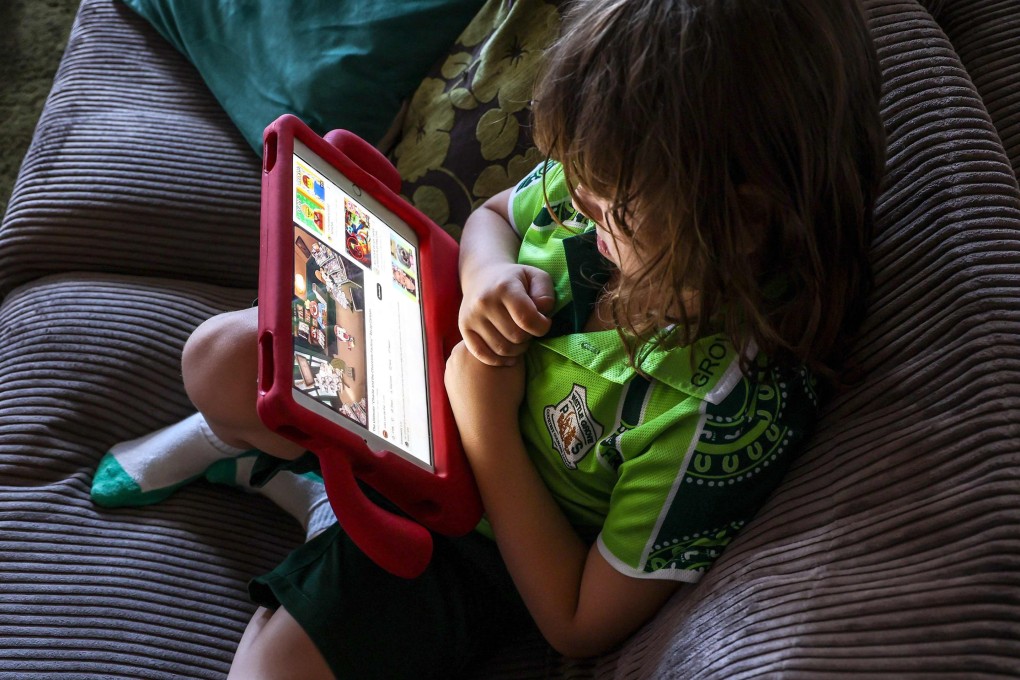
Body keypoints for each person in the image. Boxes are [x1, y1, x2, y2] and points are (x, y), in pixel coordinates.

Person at [90, 0, 887, 677]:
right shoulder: (627, 168)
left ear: (744, 221)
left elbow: (576, 622)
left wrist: (484, 423)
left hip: (480, 543)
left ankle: (316, 496)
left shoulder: (726, 410)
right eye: (579, 189)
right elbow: (494, 218)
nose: (584, 217)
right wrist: (488, 277)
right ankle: (297, 473)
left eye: (615, 216)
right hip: (425, 371)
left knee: (268, 671)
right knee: (217, 359)